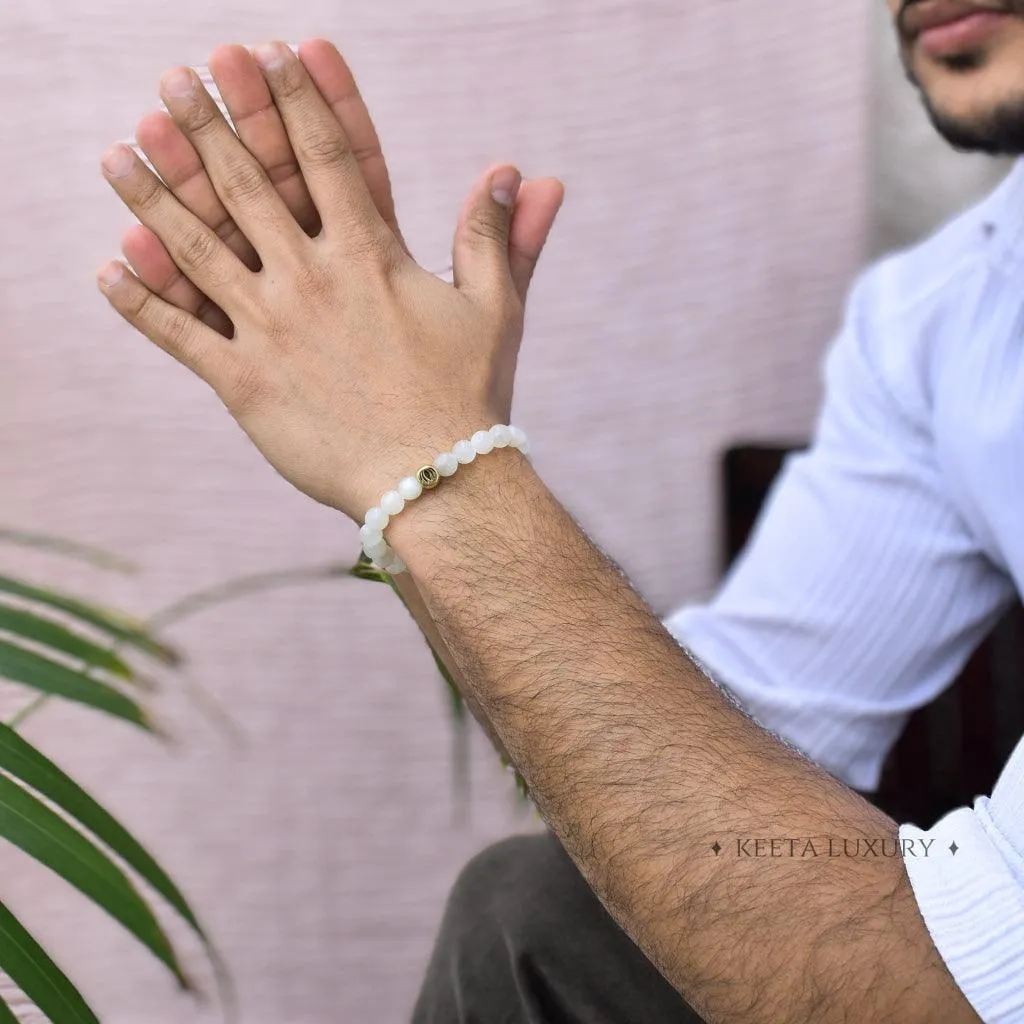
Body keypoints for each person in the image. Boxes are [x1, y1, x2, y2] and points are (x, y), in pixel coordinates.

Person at [94, 0, 1024, 1017]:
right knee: (537, 915)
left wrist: (441, 468)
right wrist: (414, 467)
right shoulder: (951, 313)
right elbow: (699, 755)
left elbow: (949, 990)